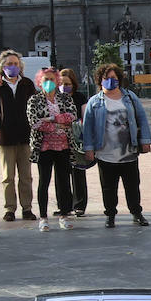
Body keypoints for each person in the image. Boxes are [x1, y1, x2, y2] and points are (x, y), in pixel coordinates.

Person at [82, 63, 151, 228]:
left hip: (129, 151)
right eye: (107, 78)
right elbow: (87, 127)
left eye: (113, 78)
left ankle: (136, 212)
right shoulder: (94, 102)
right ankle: (110, 215)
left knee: (132, 186)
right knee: (108, 187)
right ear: (100, 80)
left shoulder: (130, 98)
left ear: (119, 79)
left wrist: (145, 141)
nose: (110, 81)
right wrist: (89, 148)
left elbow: (142, 118)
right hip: (105, 153)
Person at [27, 67, 82, 231]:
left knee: (64, 181)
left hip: (64, 146)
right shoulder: (34, 100)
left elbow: (72, 116)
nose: (49, 83)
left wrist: (51, 119)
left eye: (52, 80)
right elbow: (34, 122)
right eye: (45, 80)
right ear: (39, 82)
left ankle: (64, 214)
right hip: (44, 147)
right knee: (44, 182)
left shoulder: (65, 99)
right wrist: (58, 125)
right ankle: (43, 217)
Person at [0, 50, 37, 222]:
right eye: (9, 64)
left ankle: (27, 208)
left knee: (26, 176)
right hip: (6, 137)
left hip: (25, 137)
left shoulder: (27, 84)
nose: (13, 67)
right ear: (2, 66)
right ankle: (9, 208)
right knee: (7, 176)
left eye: (16, 64)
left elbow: (35, 107)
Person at [59, 68, 89, 214]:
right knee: (61, 173)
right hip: (59, 139)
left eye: (67, 83)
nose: (64, 86)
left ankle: (79, 205)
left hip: (76, 139)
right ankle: (64, 206)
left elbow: (84, 117)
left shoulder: (80, 97)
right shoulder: (56, 98)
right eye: (62, 83)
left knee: (78, 172)